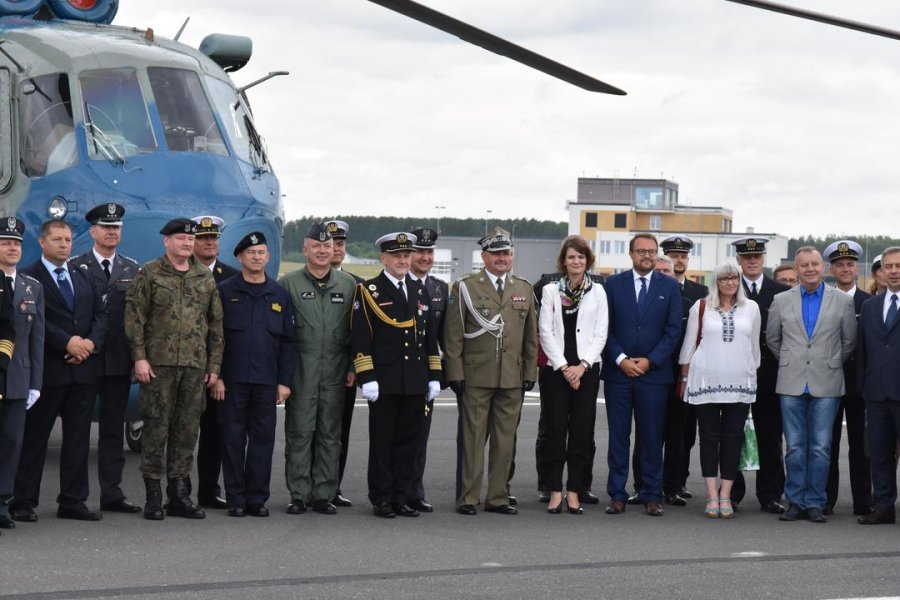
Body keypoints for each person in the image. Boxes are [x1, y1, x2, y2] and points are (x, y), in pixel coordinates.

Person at [125, 218, 224, 520]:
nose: (186, 244)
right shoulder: (150, 273)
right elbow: (134, 318)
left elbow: (216, 325)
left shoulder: (203, 278)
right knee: (156, 429)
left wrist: (214, 366)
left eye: (190, 240)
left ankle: (179, 495)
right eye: (180, 238)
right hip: (158, 367)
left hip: (194, 368)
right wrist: (139, 358)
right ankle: (153, 496)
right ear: (166, 241)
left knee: (186, 432)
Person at [15, 219, 106, 522]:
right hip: (48, 372)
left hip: (82, 372)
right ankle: (24, 500)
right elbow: (35, 320)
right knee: (35, 439)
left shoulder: (82, 275)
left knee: (79, 440)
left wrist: (89, 344)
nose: (64, 244)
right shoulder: (29, 277)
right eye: (57, 239)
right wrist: (67, 342)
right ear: (42, 242)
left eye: (68, 239)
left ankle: (73, 500)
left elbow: (101, 314)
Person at [445, 228, 537, 516]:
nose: (502, 258)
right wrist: (455, 372)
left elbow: (530, 336)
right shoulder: (465, 287)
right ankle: (468, 498)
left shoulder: (523, 288)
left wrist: (530, 372)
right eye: (496, 254)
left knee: (505, 440)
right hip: (476, 376)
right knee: (473, 439)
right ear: (484, 256)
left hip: (512, 377)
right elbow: (453, 335)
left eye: (507, 253)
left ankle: (497, 497)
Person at [351, 232, 441, 518]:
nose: (403, 261)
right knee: (383, 442)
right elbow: (361, 338)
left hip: (414, 380)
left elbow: (429, 338)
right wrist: (368, 378)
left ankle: (401, 496)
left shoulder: (418, 290)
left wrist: (434, 376)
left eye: (406, 256)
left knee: (408, 442)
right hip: (385, 382)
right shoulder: (369, 291)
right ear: (383, 259)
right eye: (397, 256)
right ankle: (382, 497)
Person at [766, 246, 856, 523]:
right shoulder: (781, 300)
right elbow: (773, 340)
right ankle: (794, 500)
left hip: (827, 382)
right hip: (791, 382)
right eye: (803, 265)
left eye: (814, 264)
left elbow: (849, 341)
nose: (809, 269)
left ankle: (815, 501)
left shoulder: (842, 301)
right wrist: (794, 361)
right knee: (794, 446)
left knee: (820, 447)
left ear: (823, 267)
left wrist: (827, 361)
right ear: (796, 269)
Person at [212, 232, 296, 517]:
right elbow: (215, 337)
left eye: (261, 252)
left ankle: (256, 498)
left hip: (266, 381)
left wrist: (284, 382)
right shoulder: (224, 291)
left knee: (263, 441)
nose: (256, 257)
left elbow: (288, 342)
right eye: (251, 253)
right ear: (240, 257)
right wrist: (218, 375)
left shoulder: (279, 295)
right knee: (232, 440)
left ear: (268, 257)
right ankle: (235, 498)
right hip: (232, 381)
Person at [601, 233, 682, 517]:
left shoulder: (669, 287)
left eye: (651, 251)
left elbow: (673, 331)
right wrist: (621, 359)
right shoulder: (612, 284)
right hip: (618, 374)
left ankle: (652, 494)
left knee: (651, 437)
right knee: (619, 437)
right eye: (641, 251)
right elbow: (604, 328)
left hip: (654, 376)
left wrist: (650, 361)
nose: (647, 256)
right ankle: (617, 494)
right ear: (631, 254)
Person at [69, 203, 142, 514]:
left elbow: (140, 318)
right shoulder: (76, 267)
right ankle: (74, 497)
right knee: (78, 431)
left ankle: (112, 493)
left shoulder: (132, 269)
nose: (113, 232)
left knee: (113, 430)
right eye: (106, 227)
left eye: (117, 228)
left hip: (117, 361)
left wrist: (139, 357)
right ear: (93, 231)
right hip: (82, 361)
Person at [280, 223, 356, 515]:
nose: (323, 251)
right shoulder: (289, 284)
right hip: (302, 371)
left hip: (336, 371)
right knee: (300, 433)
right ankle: (299, 494)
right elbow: (283, 335)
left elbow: (355, 331)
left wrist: (352, 365)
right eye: (317, 246)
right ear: (305, 249)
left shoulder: (348, 285)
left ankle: (324, 493)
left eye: (328, 246)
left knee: (330, 434)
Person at [678, 261, 760, 519]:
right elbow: (688, 347)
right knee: (709, 439)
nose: (730, 283)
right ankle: (712, 496)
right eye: (724, 278)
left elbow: (754, 348)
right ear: (716, 281)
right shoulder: (701, 307)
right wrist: (684, 380)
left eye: (734, 278)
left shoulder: (752, 308)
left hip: (739, 383)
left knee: (733, 439)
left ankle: (726, 495)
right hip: (706, 382)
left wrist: (750, 376)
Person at [538, 235, 608, 514]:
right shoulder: (551, 290)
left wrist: (582, 365)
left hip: (587, 370)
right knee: (555, 431)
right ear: (563, 261)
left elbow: (601, 332)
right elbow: (546, 331)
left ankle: (575, 491)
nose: (576, 261)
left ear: (587, 260)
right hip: (557, 371)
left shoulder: (598, 292)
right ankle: (555, 490)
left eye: (580, 257)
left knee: (581, 432)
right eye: (571, 257)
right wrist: (565, 367)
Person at [731, 237, 790, 513]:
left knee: (770, 436)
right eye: (746, 257)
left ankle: (770, 493)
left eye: (757, 257)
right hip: (735, 374)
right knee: (733, 435)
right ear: (739, 260)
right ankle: (733, 491)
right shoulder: (728, 288)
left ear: (764, 259)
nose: (752, 261)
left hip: (769, 375)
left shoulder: (781, 292)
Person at [192, 215, 239, 510]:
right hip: (184, 365)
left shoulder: (232, 278)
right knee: (179, 433)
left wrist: (219, 371)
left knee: (214, 432)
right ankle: (176, 491)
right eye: (203, 237)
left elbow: (230, 331)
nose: (210, 242)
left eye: (214, 238)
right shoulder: (180, 271)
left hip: (216, 370)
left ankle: (209, 490)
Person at [822, 240, 873, 516]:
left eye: (850, 264)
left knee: (861, 447)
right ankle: (826, 499)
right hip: (829, 382)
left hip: (861, 386)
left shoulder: (870, 303)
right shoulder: (823, 301)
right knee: (827, 444)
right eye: (839, 265)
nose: (845, 269)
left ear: (857, 269)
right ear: (831, 269)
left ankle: (863, 500)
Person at [856, 246, 900, 525]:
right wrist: (864, 387)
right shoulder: (870, 306)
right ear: (881, 271)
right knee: (880, 453)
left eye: (899, 266)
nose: (894, 271)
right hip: (877, 394)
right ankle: (884, 506)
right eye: (889, 266)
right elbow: (863, 351)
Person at [406, 227, 448, 513]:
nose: (425, 257)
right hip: (397, 373)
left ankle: (414, 490)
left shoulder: (440, 289)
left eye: (429, 252)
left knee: (419, 435)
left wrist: (442, 375)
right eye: (419, 251)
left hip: (425, 374)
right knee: (394, 435)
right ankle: (392, 489)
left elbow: (445, 336)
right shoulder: (395, 284)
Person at [325, 219, 363, 508]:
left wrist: (354, 367)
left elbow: (360, 334)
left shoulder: (356, 286)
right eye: (330, 243)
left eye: (340, 244)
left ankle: (333, 486)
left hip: (344, 372)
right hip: (314, 369)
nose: (336, 248)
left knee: (340, 431)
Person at [0, 218, 33, 531]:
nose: (13, 247)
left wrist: (34, 384)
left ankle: (2, 502)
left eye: (17, 243)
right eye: (6, 242)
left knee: (11, 442)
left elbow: (35, 342)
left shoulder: (30, 287)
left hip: (17, 378)